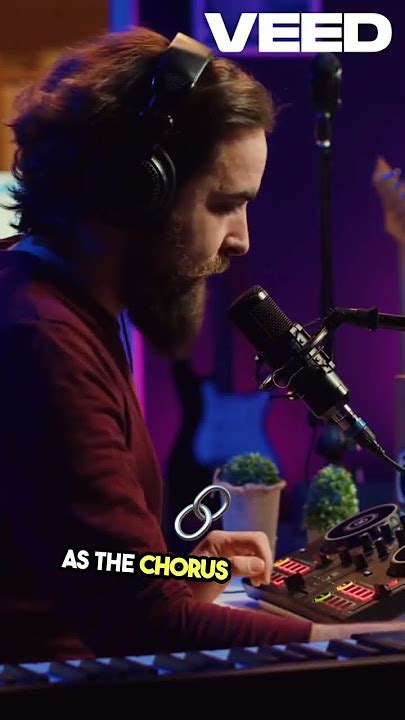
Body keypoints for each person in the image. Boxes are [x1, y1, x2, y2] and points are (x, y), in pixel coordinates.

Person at [1, 27, 405, 665]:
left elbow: (77, 557)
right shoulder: (44, 341)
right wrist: (371, 642)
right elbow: (144, 623)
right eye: (224, 204)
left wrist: (178, 567)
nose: (242, 239)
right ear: (137, 191)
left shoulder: (49, 299)